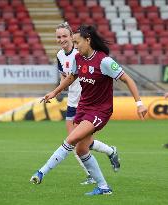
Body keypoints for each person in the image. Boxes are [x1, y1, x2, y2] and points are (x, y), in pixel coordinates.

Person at [30, 25, 147, 196]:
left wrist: (139, 104)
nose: (75, 46)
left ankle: (41, 172)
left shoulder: (104, 61)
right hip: (83, 107)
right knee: (81, 149)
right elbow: (71, 77)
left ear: (88, 40)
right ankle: (103, 187)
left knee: (71, 139)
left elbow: (128, 79)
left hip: (100, 111)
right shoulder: (78, 58)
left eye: (77, 42)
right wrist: (54, 92)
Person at [55, 22, 120, 185]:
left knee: (75, 142)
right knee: (79, 142)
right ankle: (111, 151)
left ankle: (92, 175)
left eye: (64, 36)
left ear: (72, 36)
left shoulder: (81, 51)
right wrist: (58, 90)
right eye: (58, 37)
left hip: (86, 104)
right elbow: (65, 76)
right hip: (72, 102)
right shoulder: (59, 55)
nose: (61, 39)